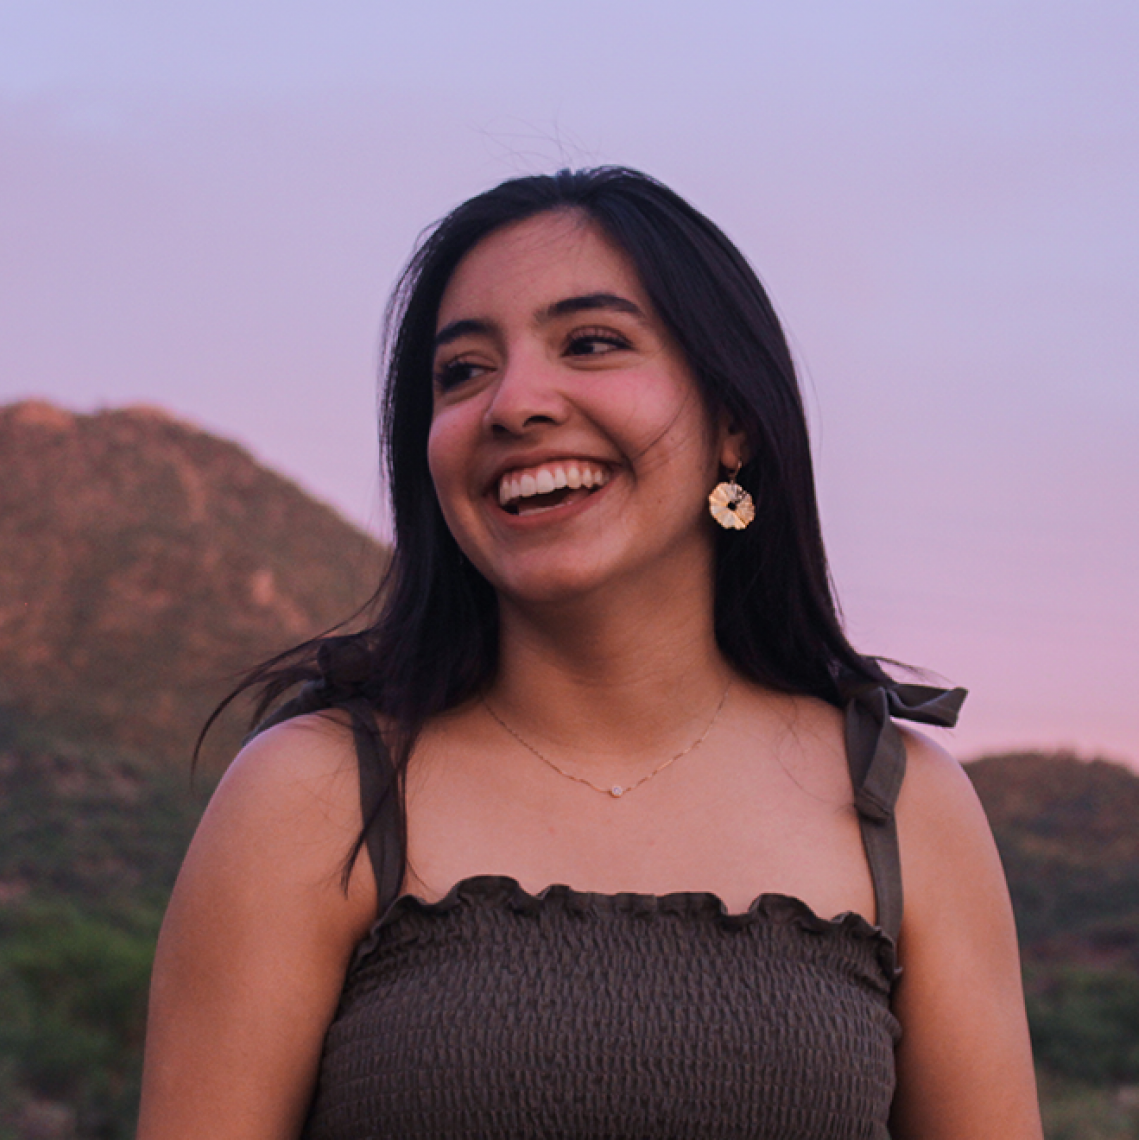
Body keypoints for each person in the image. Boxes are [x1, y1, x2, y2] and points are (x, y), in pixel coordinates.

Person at [138, 167, 1043, 1139]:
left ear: (733, 420)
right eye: (462, 371)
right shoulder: (311, 796)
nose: (514, 403)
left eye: (592, 343)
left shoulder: (903, 808)